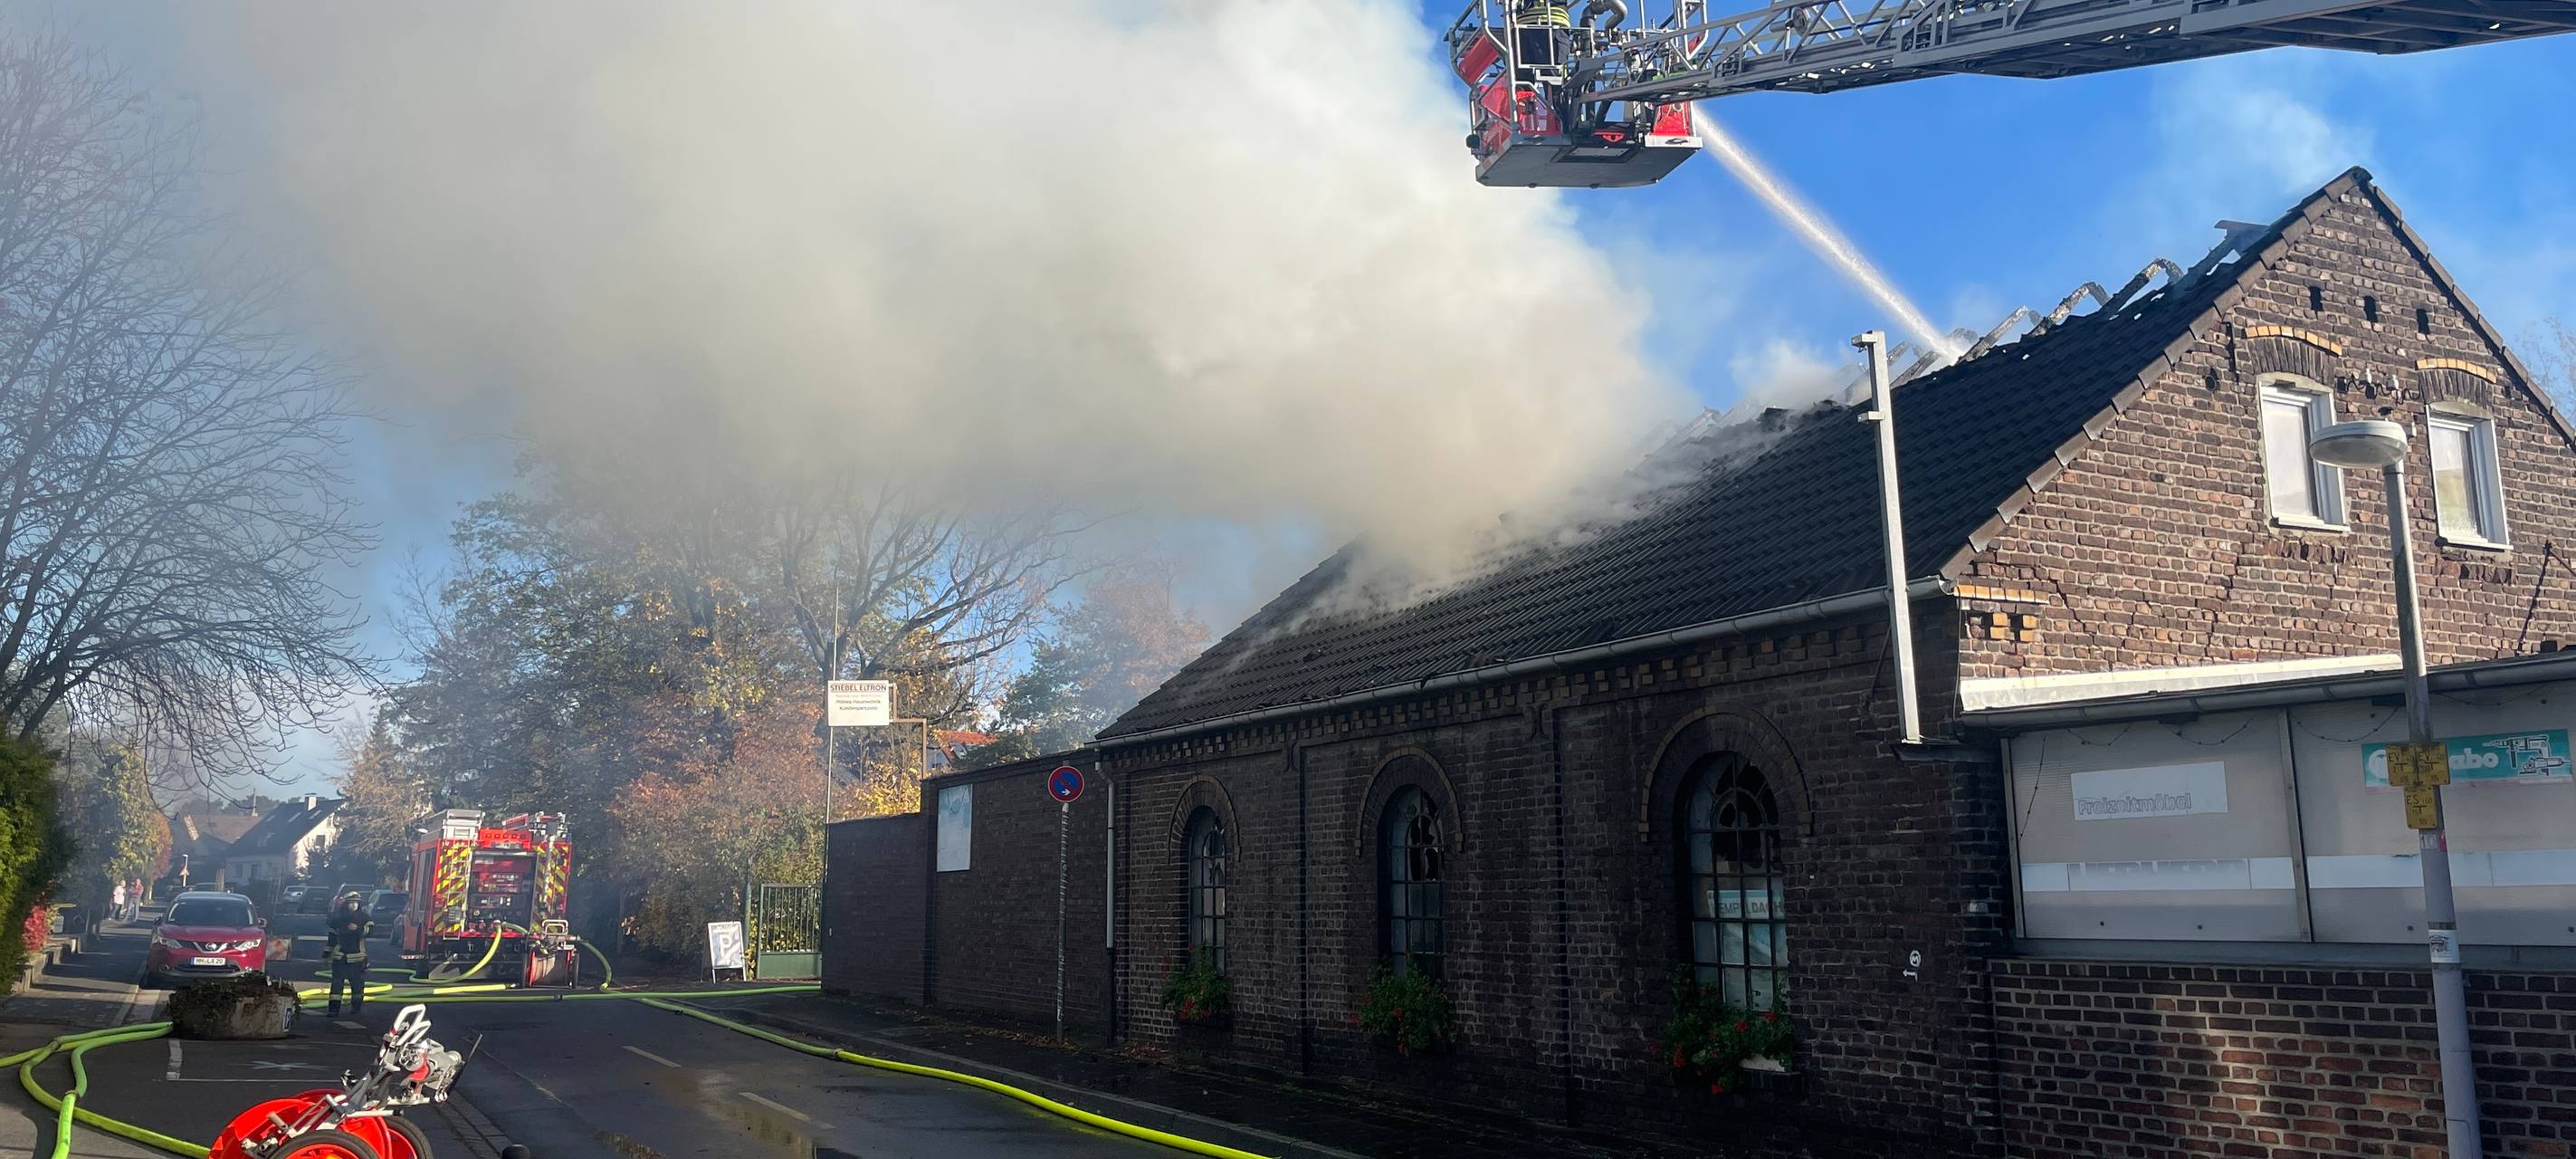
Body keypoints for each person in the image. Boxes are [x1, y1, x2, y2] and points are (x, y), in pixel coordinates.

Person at [325, 892, 375, 1017]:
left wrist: (357, 929)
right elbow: (332, 938)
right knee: (336, 986)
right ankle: (333, 1010)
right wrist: (326, 954)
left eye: (356, 902)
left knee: (357, 986)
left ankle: (356, 1008)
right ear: (346, 904)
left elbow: (371, 932)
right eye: (351, 903)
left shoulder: (364, 918)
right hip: (340, 958)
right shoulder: (337, 919)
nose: (354, 905)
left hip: (358, 958)